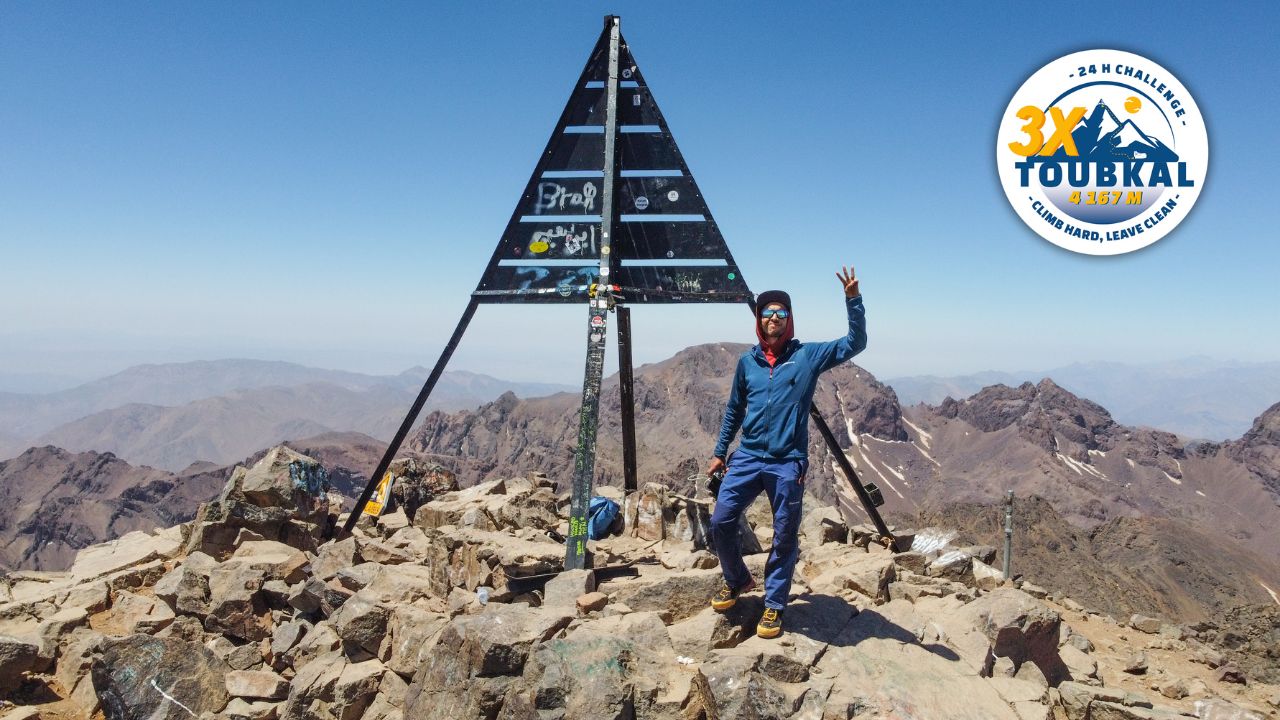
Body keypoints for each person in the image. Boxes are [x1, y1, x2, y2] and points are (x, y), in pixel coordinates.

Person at [707, 266, 867, 638]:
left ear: (789, 320)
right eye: (767, 313)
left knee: (784, 536)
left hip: (786, 463)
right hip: (746, 457)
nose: (774, 318)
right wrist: (720, 452)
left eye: (781, 312)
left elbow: (854, 343)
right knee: (721, 522)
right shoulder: (748, 362)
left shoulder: (808, 356)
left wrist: (853, 300)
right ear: (759, 321)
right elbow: (734, 408)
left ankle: (775, 605)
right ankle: (738, 580)